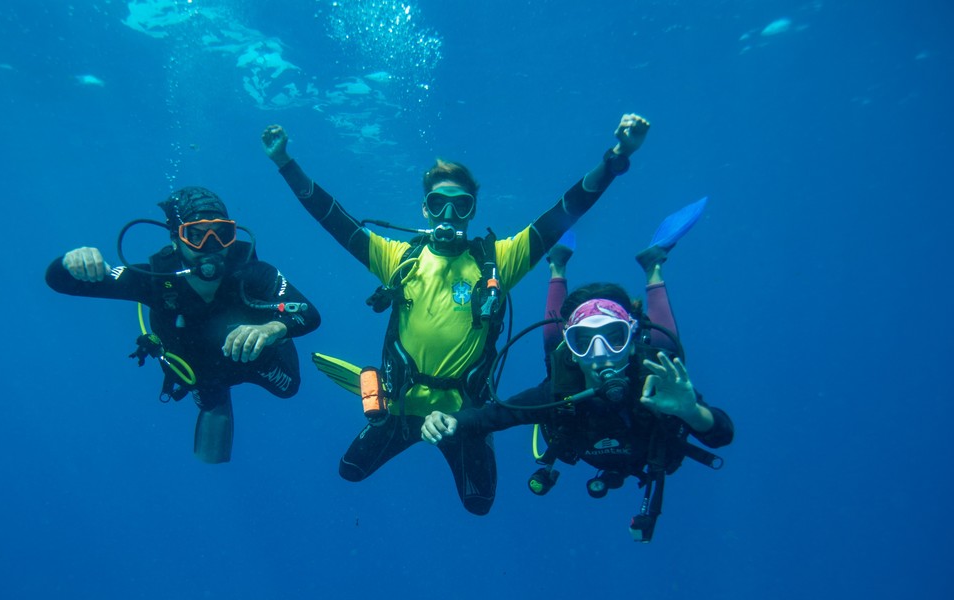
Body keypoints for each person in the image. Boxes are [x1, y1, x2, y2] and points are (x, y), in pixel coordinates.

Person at [261, 114, 651, 515]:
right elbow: (333, 220)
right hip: (399, 405)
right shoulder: (399, 258)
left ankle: (474, 435)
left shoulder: (497, 261)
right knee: (349, 472)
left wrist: (616, 157)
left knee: (478, 504)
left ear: (472, 211)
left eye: (460, 206)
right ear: (425, 210)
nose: (448, 215)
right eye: (438, 204)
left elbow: (563, 213)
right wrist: (285, 163)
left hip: (461, 414)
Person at [421, 221, 733, 540]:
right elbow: (496, 415)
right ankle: (559, 264)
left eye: (614, 338)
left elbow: (722, 434)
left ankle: (651, 266)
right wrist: (451, 419)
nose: (601, 356)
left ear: (631, 338)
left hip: (649, 384)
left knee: (667, 350)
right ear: (574, 350)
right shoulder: (560, 391)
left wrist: (690, 410)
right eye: (583, 341)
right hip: (577, 387)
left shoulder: (660, 381)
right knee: (552, 345)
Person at [45, 187, 321, 464]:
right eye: (197, 235)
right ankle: (219, 405)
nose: (212, 246)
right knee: (210, 402)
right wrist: (71, 262)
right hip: (199, 371)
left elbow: (309, 313)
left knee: (288, 390)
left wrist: (271, 330)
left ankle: (274, 328)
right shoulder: (154, 278)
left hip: (257, 357)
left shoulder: (254, 272)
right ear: (176, 238)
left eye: (221, 234)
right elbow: (60, 281)